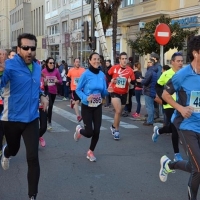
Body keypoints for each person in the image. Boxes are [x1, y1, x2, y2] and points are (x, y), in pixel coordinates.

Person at [0, 33, 49, 200]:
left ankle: (32, 196)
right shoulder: (9, 66)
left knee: (33, 157)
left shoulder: (36, 67)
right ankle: (6, 152)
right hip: (12, 119)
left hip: (31, 119)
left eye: (32, 48)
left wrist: (42, 94)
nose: (29, 51)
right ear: (18, 49)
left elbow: (35, 85)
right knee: (14, 149)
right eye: (26, 48)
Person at [159, 35, 200, 200]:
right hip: (186, 125)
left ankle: (169, 164)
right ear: (196, 53)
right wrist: (181, 108)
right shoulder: (182, 75)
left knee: (194, 165)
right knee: (198, 169)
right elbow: (165, 94)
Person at [74, 52, 108, 162]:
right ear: (89, 60)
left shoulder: (102, 75)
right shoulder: (86, 74)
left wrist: (108, 91)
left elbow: (103, 92)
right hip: (87, 106)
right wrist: (85, 98)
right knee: (89, 133)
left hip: (97, 105)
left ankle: (90, 151)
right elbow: (78, 89)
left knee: (97, 131)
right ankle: (79, 130)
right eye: (94, 59)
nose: (97, 61)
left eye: (98, 59)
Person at [152, 52, 183, 161]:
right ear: (172, 62)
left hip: (181, 105)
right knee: (174, 128)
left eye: (182, 61)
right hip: (169, 105)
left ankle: (158, 131)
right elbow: (157, 86)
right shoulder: (166, 74)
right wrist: (163, 99)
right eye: (178, 61)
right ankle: (176, 154)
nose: (180, 63)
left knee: (176, 127)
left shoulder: (184, 74)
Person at [108, 52, 135, 140]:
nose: (124, 60)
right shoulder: (114, 68)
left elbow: (133, 82)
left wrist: (130, 82)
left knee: (118, 113)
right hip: (115, 92)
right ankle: (116, 131)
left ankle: (113, 126)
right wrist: (111, 80)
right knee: (118, 111)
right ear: (119, 60)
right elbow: (107, 75)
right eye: (122, 59)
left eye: (125, 59)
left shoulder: (130, 70)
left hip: (124, 93)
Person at [42, 57, 62, 130]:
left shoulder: (56, 71)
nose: (52, 64)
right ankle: (49, 122)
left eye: (53, 63)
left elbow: (61, 81)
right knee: (49, 104)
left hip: (54, 91)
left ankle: (48, 119)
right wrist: (43, 82)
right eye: (50, 63)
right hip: (46, 91)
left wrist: (57, 81)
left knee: (50, 107)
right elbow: (40, 81)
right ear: (47, 64)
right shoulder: (43, 71)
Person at [137, 58, 157, 126]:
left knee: (149, 107)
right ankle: (150, 119)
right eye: (148, 62)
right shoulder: (154, 71)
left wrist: (141, 81)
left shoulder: (149, 71)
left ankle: (150, 121)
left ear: (152, 63)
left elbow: (146, 82)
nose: (148, 64)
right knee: (151, 106)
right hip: (152, 90)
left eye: (149, 62)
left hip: (148, 91)